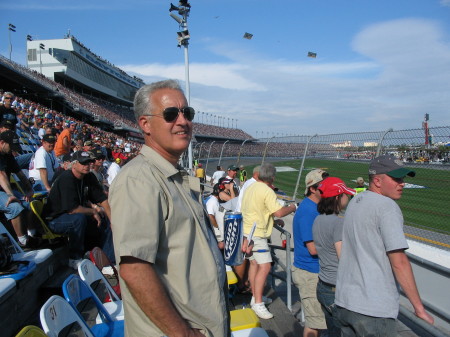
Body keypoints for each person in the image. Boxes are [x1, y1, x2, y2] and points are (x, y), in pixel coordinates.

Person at [109, 79, 247, 337]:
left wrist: (213, 248)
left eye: (187, 113)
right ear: (145, 124)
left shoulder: (171, 175)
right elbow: (134, 268)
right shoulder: (139, 180)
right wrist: (182, 332)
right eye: (171, 114)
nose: (183, 121)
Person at [335, 155, 434, 336]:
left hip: (345, 302)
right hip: (372, 309)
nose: (402, 183)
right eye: (396, 179)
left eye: (402, 179)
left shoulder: (357, 201)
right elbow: (399, 262)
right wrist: (419, 308)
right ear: (377, 181)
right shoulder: (386, 206)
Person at [242, 162, 297, 319]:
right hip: (257, 234)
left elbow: (258, 209)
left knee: (254, 264)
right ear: (272, 177)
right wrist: (292, 207)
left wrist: (271, 220)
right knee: (265, 267)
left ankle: (255, 296)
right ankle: (258, 303)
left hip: (247, 232)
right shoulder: (267, 191)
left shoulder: (251, 187)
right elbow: (280, 212)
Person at [44, 151, 114, 269]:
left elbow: (102, 200)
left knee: (105, 217)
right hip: (55, 219)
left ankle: (108, 260)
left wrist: (113, 221)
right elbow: (72, 209)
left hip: (74, 214)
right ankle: (74, 258)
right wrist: (93, 211)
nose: (87, 165)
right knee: (78, 219)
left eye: (89, 162)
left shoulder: (89, 177)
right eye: (83, 163)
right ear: (74, 164)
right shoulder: (66, 178)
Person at [312, 177, 355, 337]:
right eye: (345, 195)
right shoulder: (338, 223)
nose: (348, 198)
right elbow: (344, 258)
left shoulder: (318, 219)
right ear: (337, 197)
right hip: (335, 289)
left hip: (323, 284)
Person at [292, 169, 329, 337]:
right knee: (314, 324)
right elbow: (313, 249)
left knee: (318, 322)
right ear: (312, 189)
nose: (327, 188)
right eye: (323, 185)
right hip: (309, 273)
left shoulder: (313, 207)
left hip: (313, 271)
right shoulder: (308, 211)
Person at [0, 130, 39, 249]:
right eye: (11, 146)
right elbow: (1, 175)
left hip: (5, 189)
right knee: (15, 207)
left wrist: (29, 189)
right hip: (3, 190)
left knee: (30, 204)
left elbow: (20, 174)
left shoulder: (8, 155)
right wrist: (10, 195)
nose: (13, 150)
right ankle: (22, 241)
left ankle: (31, 234)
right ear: (2, 142)